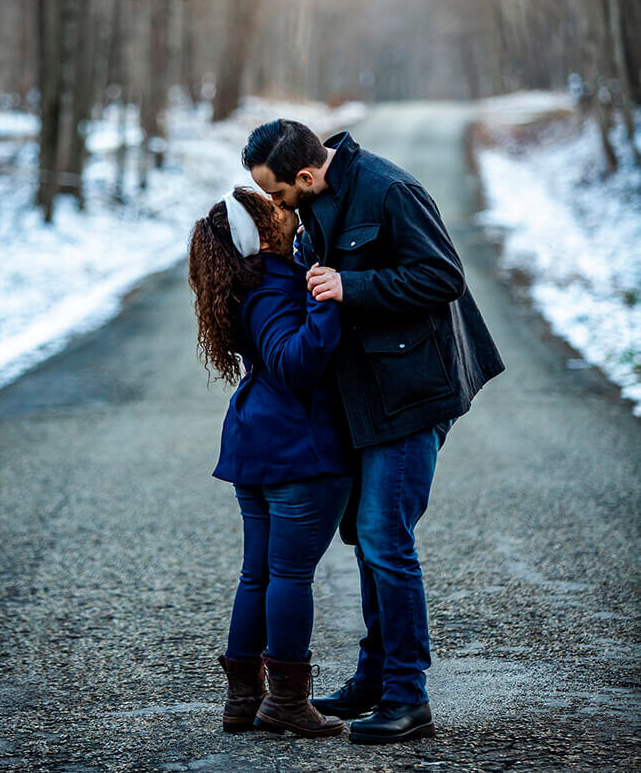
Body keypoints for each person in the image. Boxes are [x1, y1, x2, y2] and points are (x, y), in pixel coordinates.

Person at [242, 119, 505, 745]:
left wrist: (349, 284)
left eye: (279, 195)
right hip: (365, 396)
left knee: (385, 538)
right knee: (367, 538)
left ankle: (408, 697)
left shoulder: (389, 190)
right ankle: (375, 679)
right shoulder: (320, 197)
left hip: (414, 392)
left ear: (306, 176)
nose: (277, 208)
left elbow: (444, 278)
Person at [188, 186, 354, 739]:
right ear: (261, 232)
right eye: (279, 209)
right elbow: (296, 363)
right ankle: (285, 701)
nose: (289, 213)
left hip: (259, 442)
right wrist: (326, 301)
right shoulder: (276, 284)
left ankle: (243, 699)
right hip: (295, 448)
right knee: (286, 575)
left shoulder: (246, 284)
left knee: (258, 574)